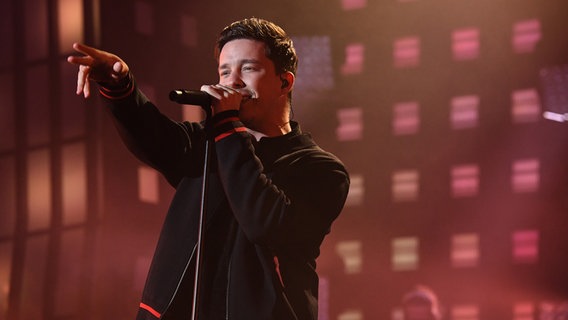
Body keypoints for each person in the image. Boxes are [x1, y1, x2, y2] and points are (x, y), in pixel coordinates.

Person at [67, 18, 350, 320]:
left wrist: (227, 126)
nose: (233, 81)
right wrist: (119, 85)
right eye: (225, 71)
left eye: (248, 69)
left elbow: (265, 222)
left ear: (285, 81)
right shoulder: (208, 142)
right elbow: (154, 137)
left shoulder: (321, 170)